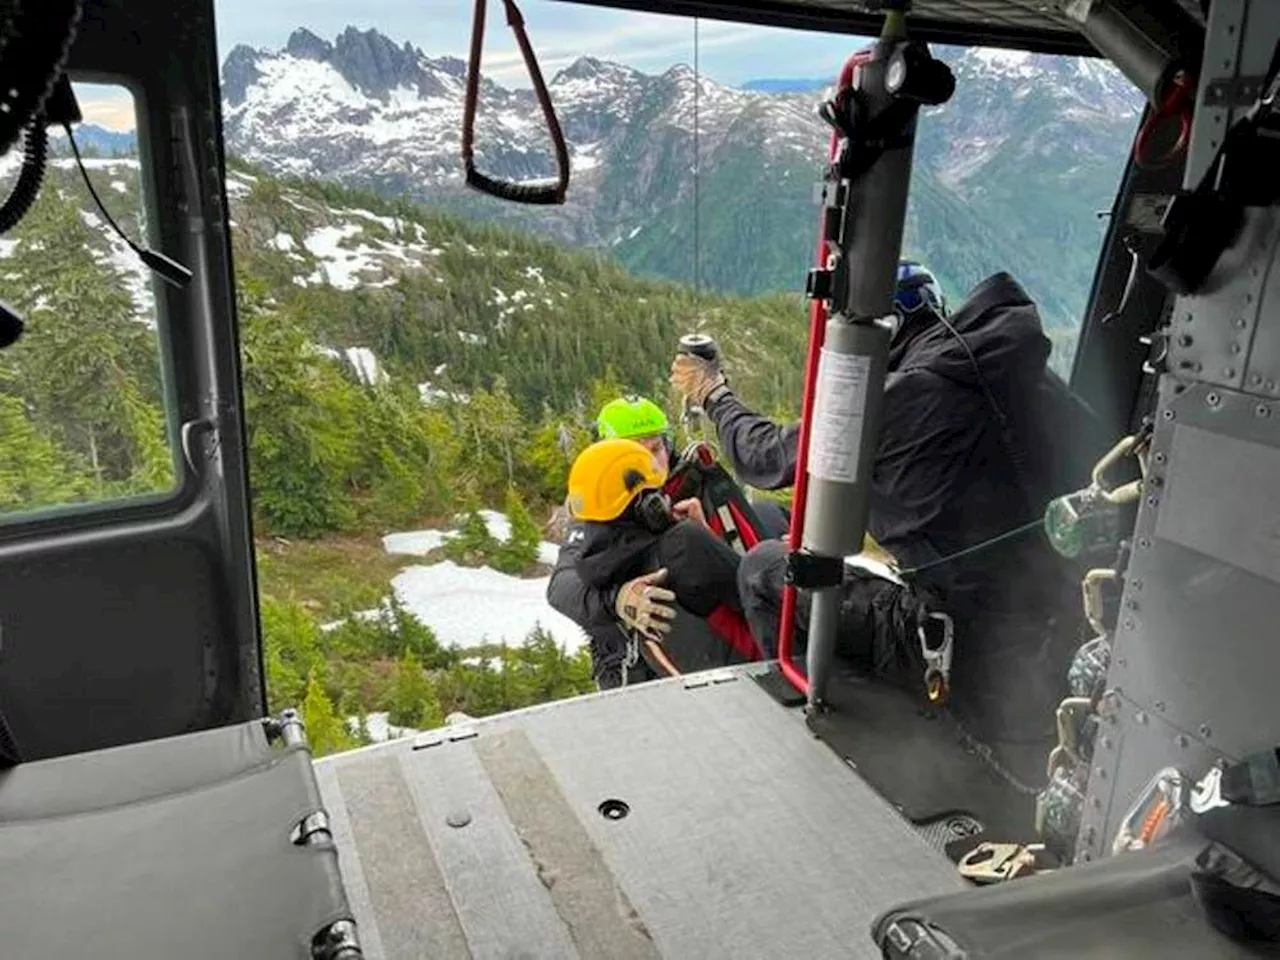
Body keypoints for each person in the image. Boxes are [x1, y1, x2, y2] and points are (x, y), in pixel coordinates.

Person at [670, 263, 1111, 743]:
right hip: (1072, 631)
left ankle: (824, 739)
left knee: (763, 568)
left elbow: (766, 457)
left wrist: (714, 393)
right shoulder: (1021, 373)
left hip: (974, 658)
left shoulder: (901, 397)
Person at [560, 437, 759, 680]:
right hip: (761, 670)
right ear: (649, 507)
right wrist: (707, 541)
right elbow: (759, 597)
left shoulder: (599, 573)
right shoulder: (684, 544)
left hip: (709, 691)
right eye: (658, 494)